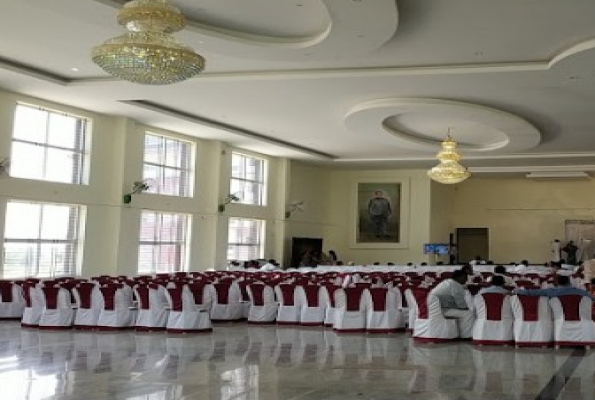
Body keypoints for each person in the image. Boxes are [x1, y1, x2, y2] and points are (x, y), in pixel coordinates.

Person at [430, 269, 475, 338]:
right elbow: (461, 305)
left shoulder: (446, 282)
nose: (466, 280)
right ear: (459, 277)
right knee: (468, 313)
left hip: (434, 309)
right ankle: (466, 336)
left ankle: (459, 333)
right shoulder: (456, 285)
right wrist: (467, 309)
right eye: (465, 278)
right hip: (442, 310)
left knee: (462, 311)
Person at [514, 275, 594, 299]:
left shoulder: (550, 291)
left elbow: (531, 293)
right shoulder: (581, 292)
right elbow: (592, 298)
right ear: (569, 282)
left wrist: (516, 291)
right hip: (580, 317)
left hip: (557, 317)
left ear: (557, 283)